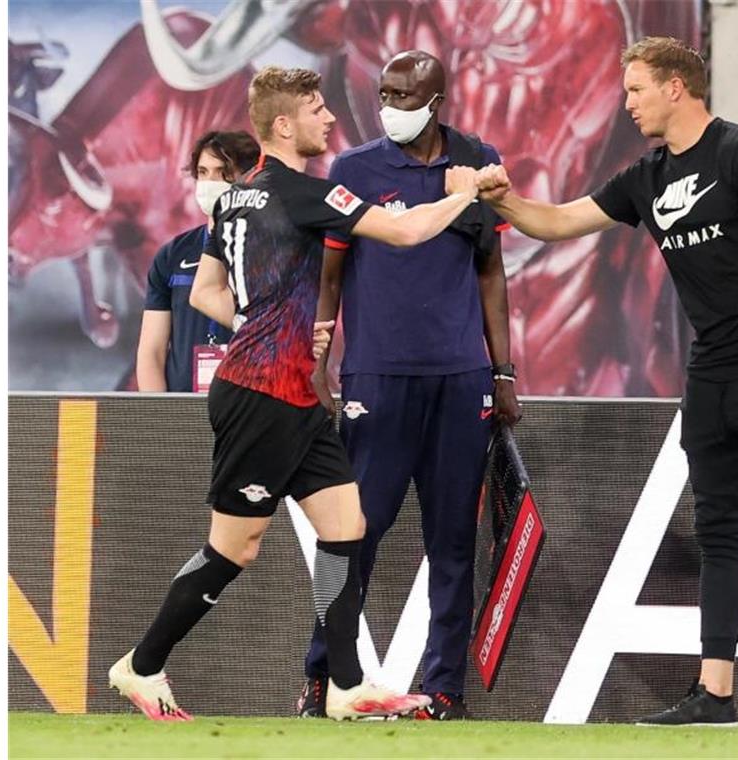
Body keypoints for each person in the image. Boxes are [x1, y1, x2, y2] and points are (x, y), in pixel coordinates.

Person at [475, 36, 738, 729]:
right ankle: (715, 694)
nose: (626, 102)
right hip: (712, 375)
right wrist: (506, 199)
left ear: (676, 88)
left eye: (635, 89)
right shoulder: (647, 177)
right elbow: (562, 221)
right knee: (719, 529)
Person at [107, 65, 483, 721]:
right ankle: (140, 666)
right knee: (234, 548)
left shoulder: (232, 198)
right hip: (260, 396)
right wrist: (467, 191)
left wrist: (269, 326)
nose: (330, 119)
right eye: (316, 109)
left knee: (347, 526)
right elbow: (404, 232)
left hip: (289, 391)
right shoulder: (312, 193)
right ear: (284, 124)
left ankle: (345, 686)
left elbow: (206, 294)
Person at [296, 50, 521, 721]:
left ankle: (442, 690)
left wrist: (502, 370)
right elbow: (331, 273)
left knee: (453, 542)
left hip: (460, 379)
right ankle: (322, 680)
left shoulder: (480, 161)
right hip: (377, 375)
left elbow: (492, 273)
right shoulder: (354, 169)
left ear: (437, 99)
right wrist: (321, 356)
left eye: (403, 94)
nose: (389, 104)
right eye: (385, 92)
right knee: (352, 533)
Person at [135, 131, 258, 392]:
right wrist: (157, 414)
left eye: (222, 172)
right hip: (183, 409)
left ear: (249, 178)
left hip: (249, 409)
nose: (210, 182)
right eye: (203, 172)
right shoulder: (172, 255)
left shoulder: (271, 251)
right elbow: (152, 353)